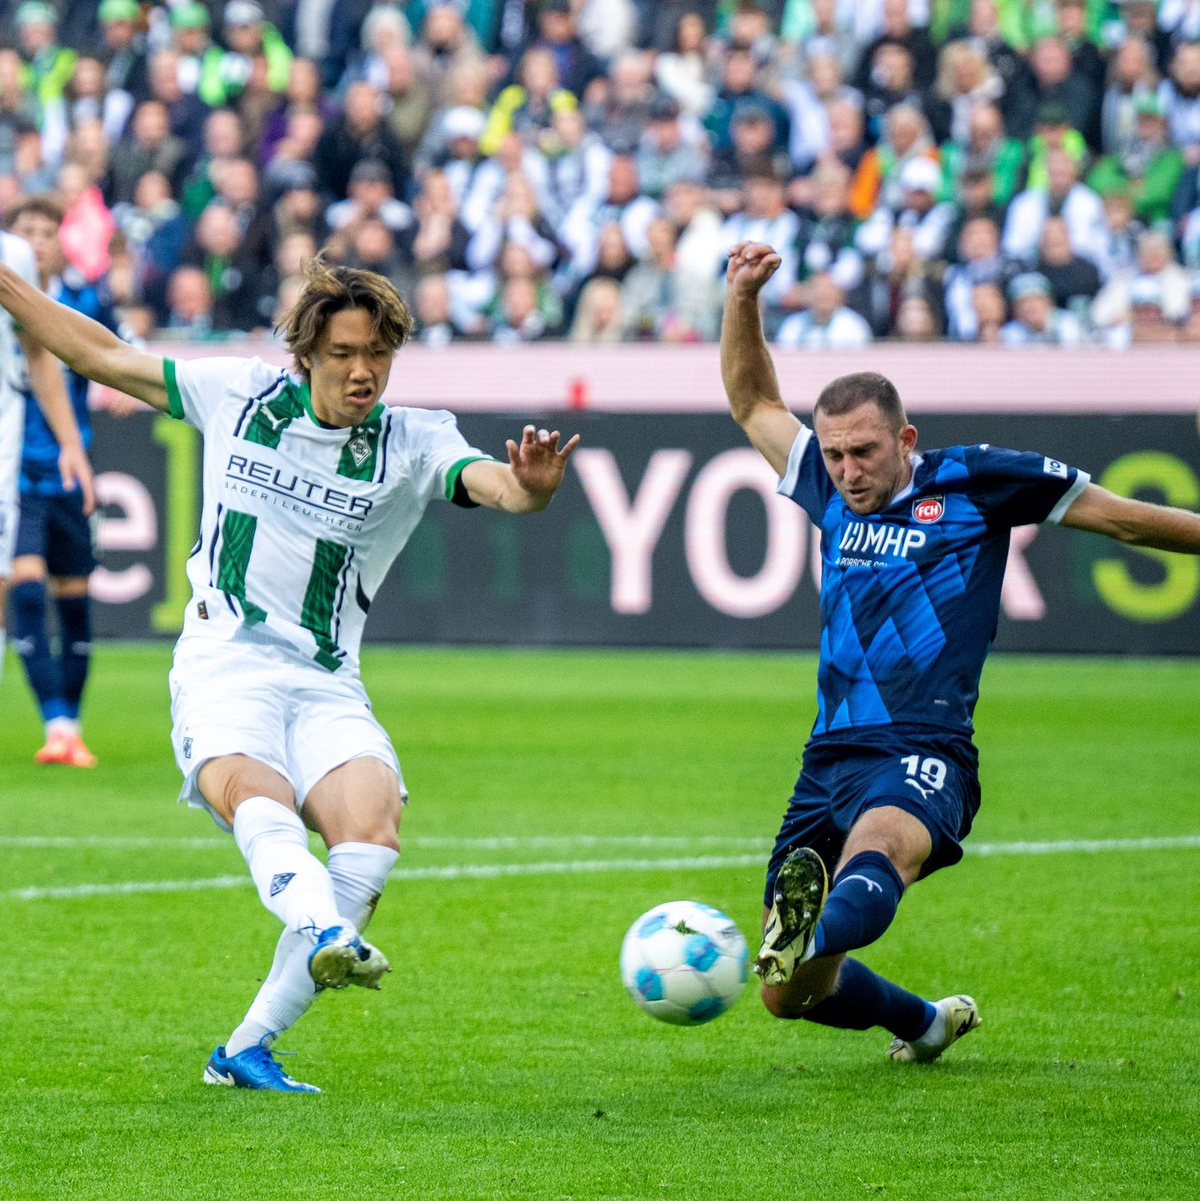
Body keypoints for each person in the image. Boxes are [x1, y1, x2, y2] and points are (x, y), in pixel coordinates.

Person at [0, 255, 578, 1092]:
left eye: (377, 353)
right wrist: (11, 288)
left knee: (372, 835)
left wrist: (531, 490)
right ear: (306, 353)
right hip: (225, 661)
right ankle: (320, 927)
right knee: (257, 795)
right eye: (343, 352)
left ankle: (244, 1048)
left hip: (326, 678)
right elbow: (103, 357)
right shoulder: (237, 395)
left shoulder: (413, 440)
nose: (362, 371)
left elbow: (498, 487)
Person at [720, 241, 1200, 1063]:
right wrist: (741, 297)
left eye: (864, 451)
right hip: (826, 758)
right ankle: (924, 1021)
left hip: (924, 748)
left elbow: (1121, 518)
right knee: (785, 995)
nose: (846, 469)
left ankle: (811, 921)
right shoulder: (824, 485)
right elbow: (753, 400)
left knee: (880, 851)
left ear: (905, 438)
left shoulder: (976, 484)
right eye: (833, 453)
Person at [8, 195, 114, 766]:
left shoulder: (83, 302)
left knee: (73, 605)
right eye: (26, 231)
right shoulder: (8, 306)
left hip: (69, 475)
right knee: (25, 590)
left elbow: (119, 352)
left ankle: (69, 726)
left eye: (46, 232)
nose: (37, 242)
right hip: (16, 475)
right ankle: (53, 723)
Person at [0, 217, 93, 709]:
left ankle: (62, 722)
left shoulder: (12, 259)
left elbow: (39, 352)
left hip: (13, 459)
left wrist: (71, 443)